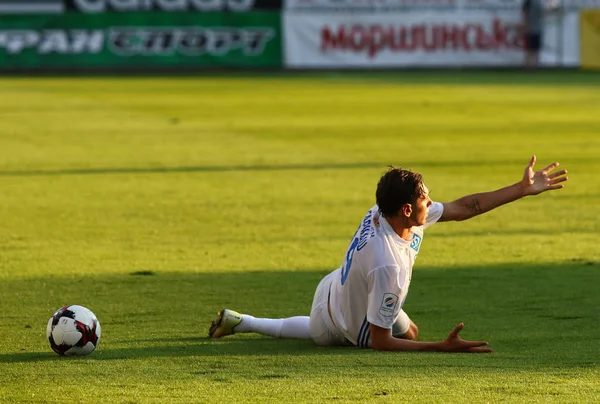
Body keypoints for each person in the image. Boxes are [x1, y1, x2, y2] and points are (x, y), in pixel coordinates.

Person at [209, 156, 567, 353]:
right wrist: (441, 348)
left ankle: (244, 321)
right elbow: (380, 341)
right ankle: (248, 323)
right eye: (425, 197)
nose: (431, 200)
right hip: (346, 326)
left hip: (330, 290)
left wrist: (521, 189)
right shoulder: (389, 265)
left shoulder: (383, 211)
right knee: (407, 335)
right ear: (408, 210)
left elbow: (467, 205)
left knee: (382, 326)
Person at [522, 0, 545, 68]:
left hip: (537, 29)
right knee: (529, 51)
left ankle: (535, 66)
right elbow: (525, 14)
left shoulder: (539, 2)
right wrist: (526, 26)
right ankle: (528, 66)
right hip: (530, 29)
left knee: (536, 51)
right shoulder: (528, 2)